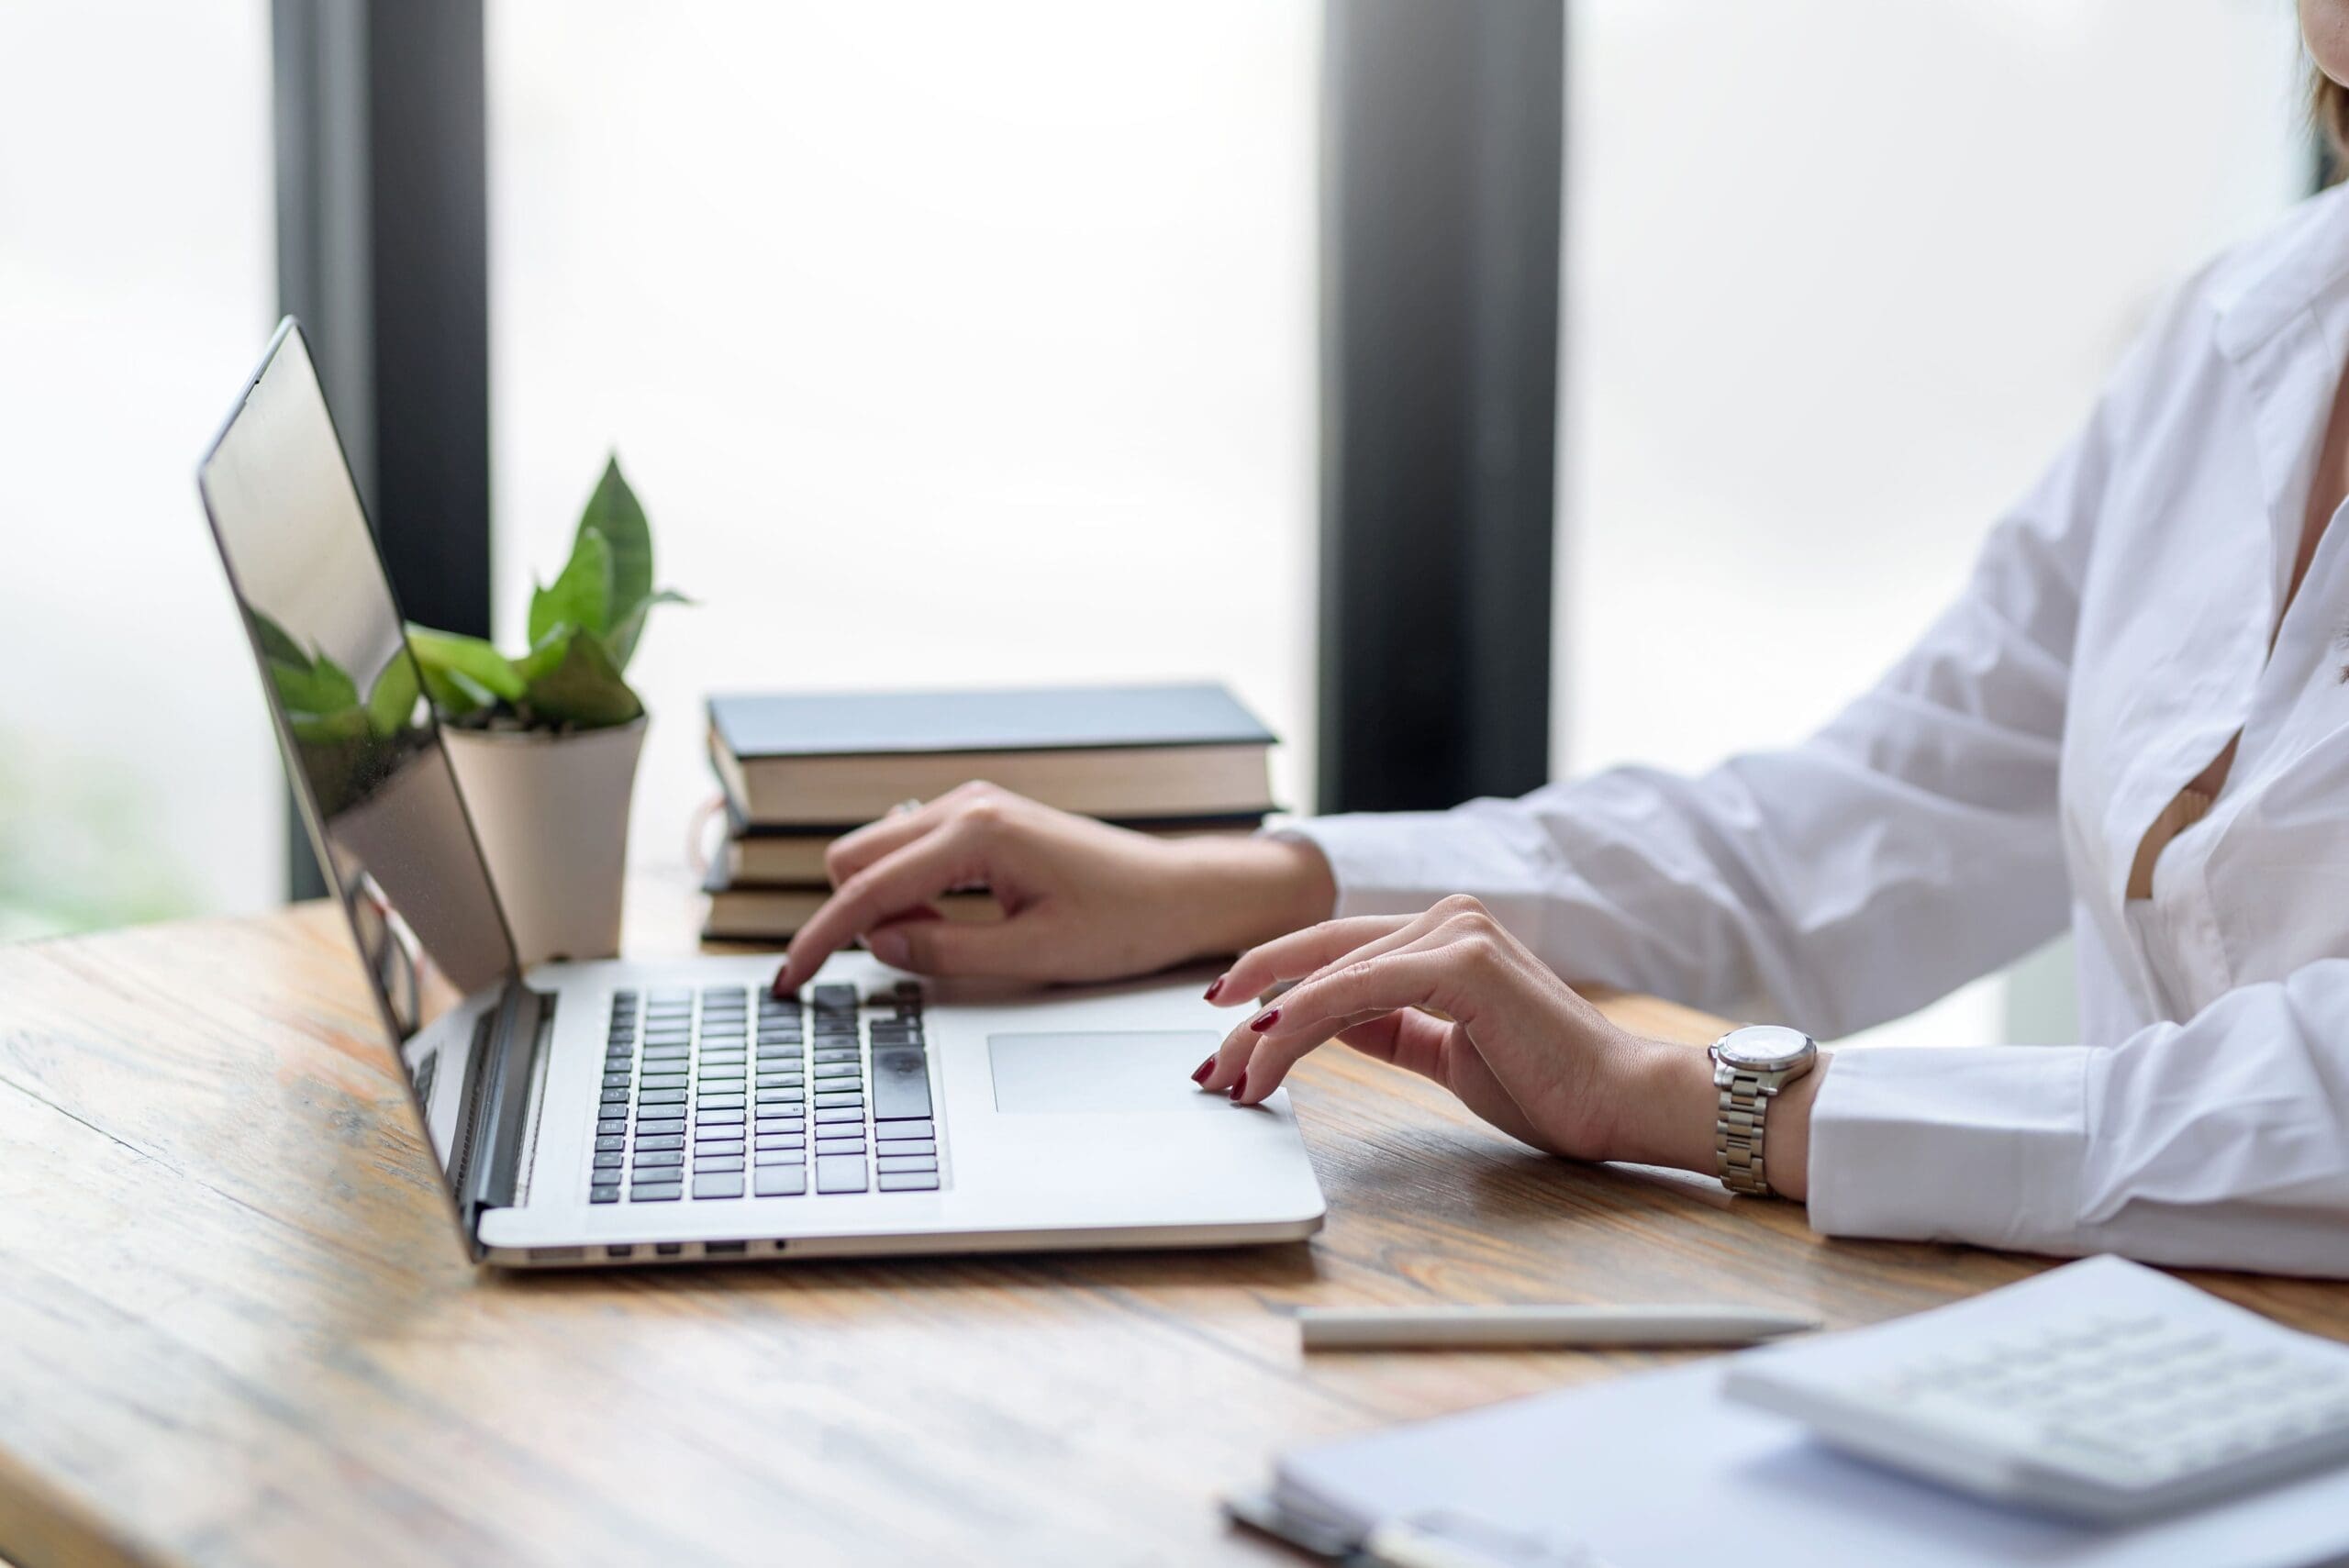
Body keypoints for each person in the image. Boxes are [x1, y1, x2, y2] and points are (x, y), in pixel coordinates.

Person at [772, 25, 2349, 1280]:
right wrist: (1238, 884)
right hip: (2143, 1385)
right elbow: (1833, 837)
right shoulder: (2245, 335)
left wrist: (1681, 1098)